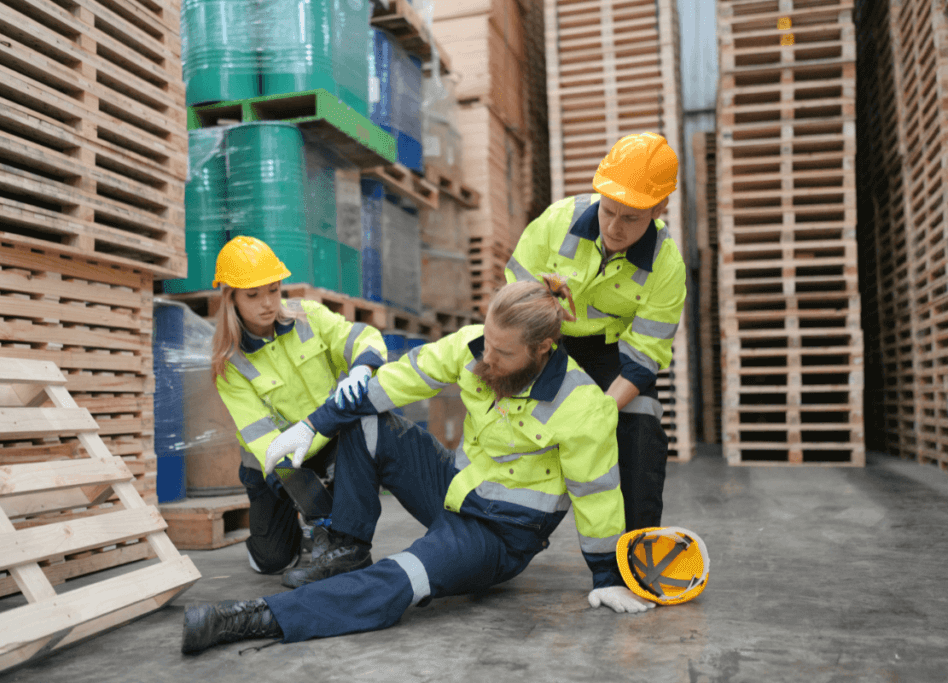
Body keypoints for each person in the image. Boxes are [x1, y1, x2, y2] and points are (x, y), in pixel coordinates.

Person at [181, 280, 656, 656]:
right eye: (486, 342)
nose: (486, 359)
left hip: (500, 536)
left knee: (404, 576)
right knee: (367, 417)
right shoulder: (477, 348)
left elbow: (597, 495)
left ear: (543, 349)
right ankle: (346, 545)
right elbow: (398, 380)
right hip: (456, 491)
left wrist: (606, 574)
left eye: (503, 354)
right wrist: (314, 424)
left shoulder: (583, 409)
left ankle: (259, 616)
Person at [504, 132, 686, 533]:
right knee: (507, 419)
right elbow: (510, 304)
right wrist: (540, 303)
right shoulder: (556, 222)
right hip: (546, 341)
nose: (614, 228)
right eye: (608, 211)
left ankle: (637, 550)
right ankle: (496, 534)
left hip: (612, 357)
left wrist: (600, 414)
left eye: (631, 218)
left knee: (641, 425)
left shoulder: (666, 266)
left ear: (660, 207)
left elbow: (644, 356)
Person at [209, 235, 387, 584]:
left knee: (352, 463)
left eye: (274, 290)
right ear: (231, 298)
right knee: (273, 561)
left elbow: (362, 337)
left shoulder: (309, 317)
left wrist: (362, 367)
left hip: (327, 440)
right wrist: (309, 501)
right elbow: (263, 440)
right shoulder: (229, 365)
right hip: (273, 462)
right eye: (253, 295)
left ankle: (330, 531)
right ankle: (294, 530)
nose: (268, 303)